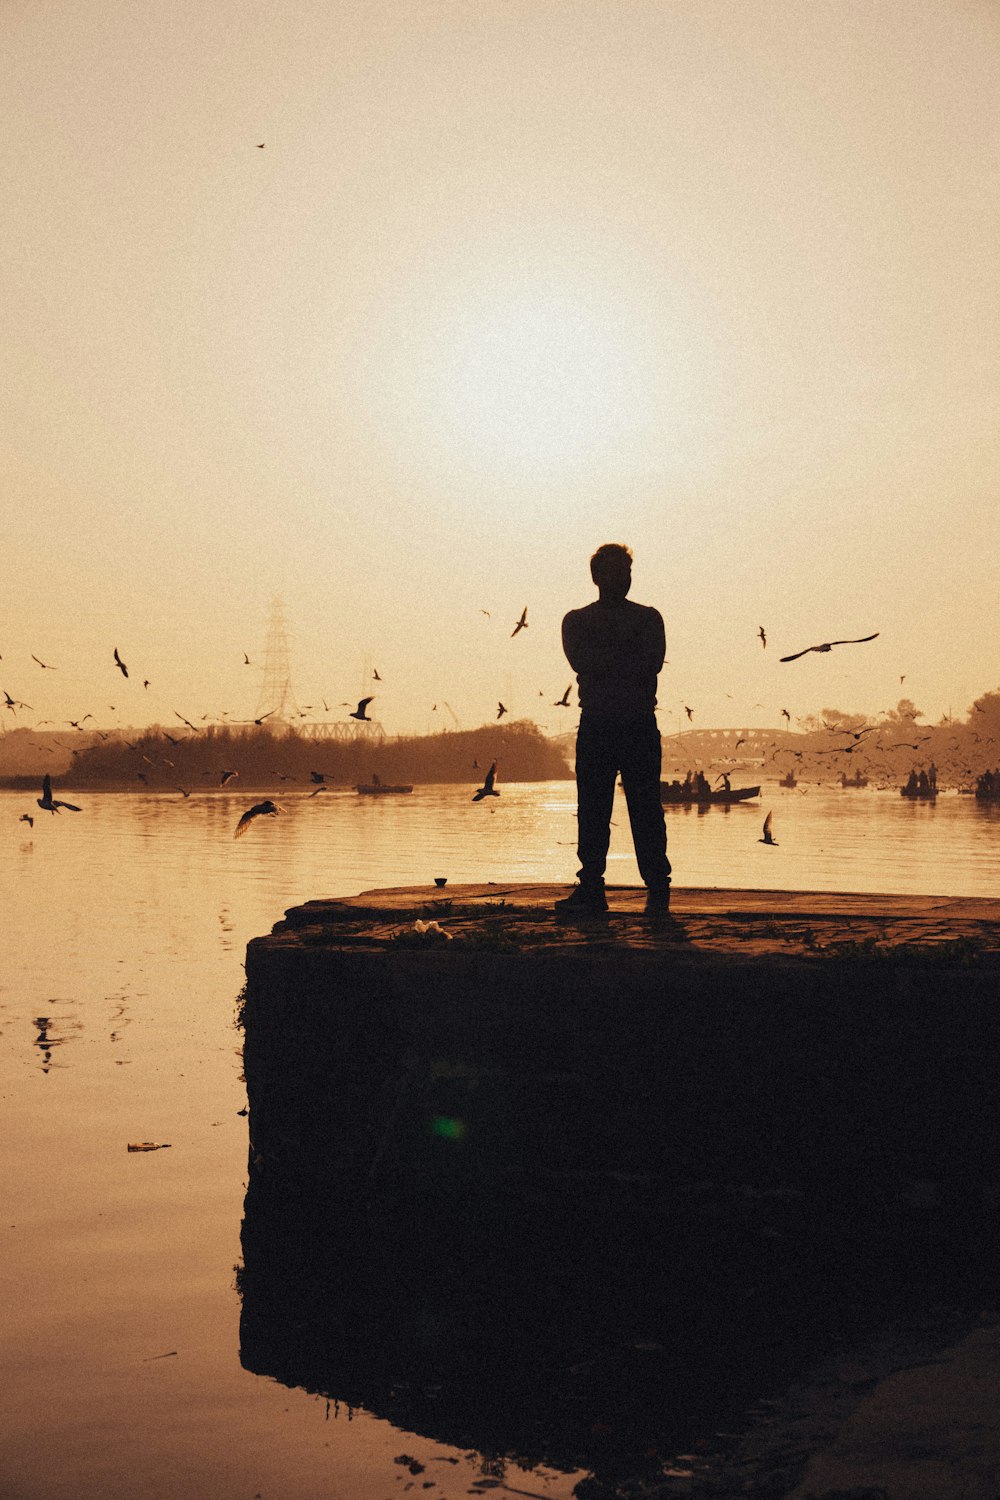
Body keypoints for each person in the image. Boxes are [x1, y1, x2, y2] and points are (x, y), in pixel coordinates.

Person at [556, 543, 672, 916]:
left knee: (644, 808)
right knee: (594, 809)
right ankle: (597, 886)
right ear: (596, 577)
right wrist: (627, 653)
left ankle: (653, 886)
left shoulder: (639, 619)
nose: (622, 579)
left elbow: (647, 664)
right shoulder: (633, 621)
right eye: (614, 572)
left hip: (626, 723)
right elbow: (591, 662)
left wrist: (607, 657)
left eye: (625, 572)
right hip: (609, 724)